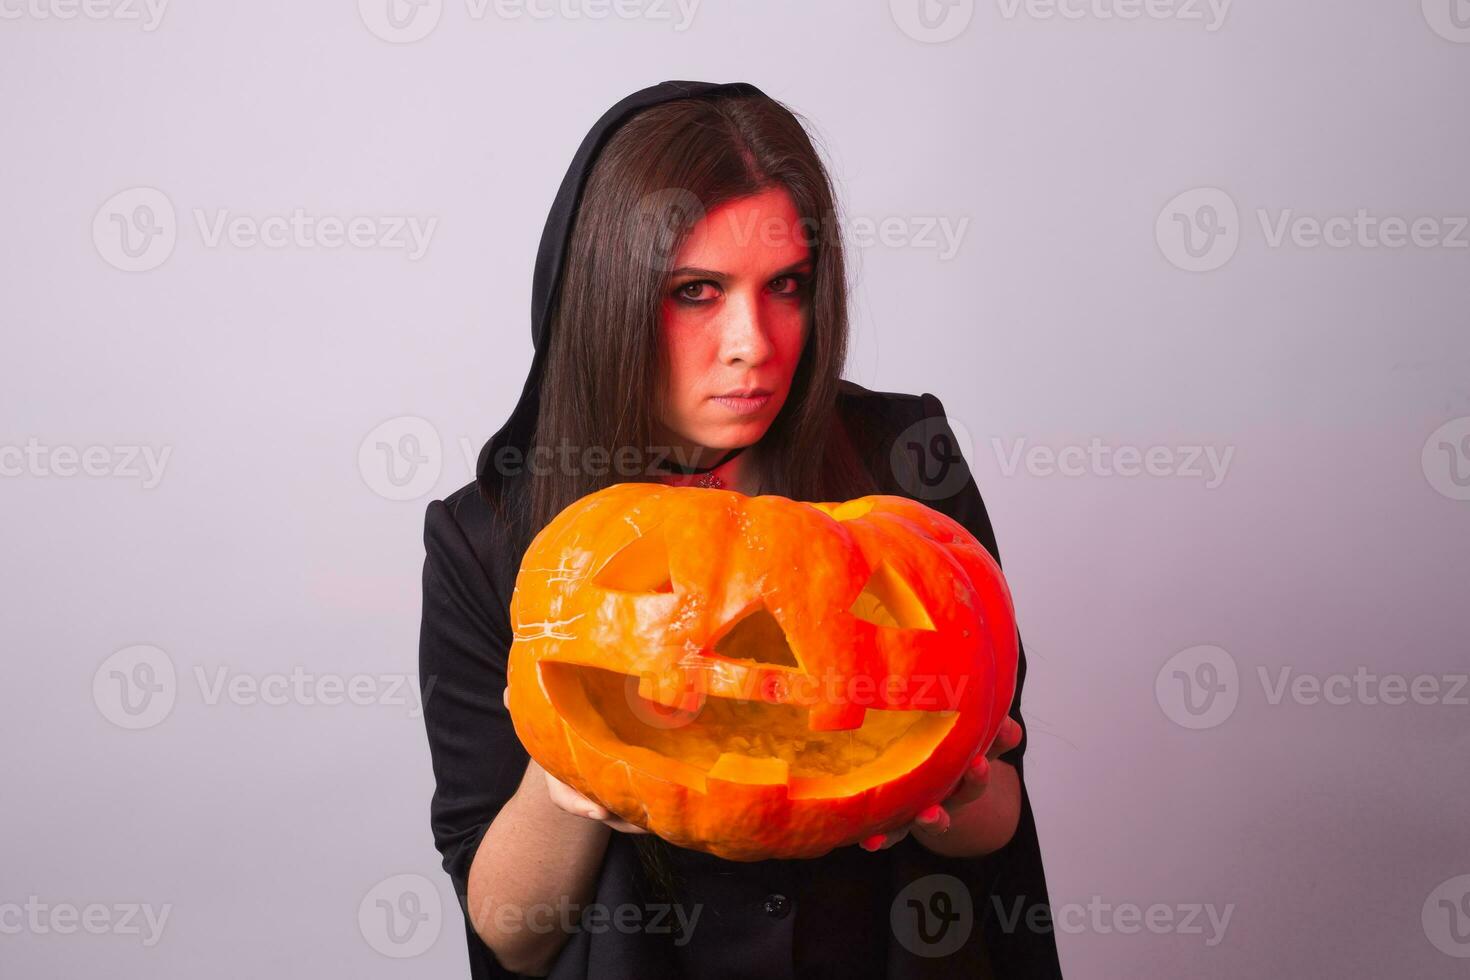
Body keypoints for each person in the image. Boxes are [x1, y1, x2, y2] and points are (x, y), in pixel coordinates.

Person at [418, 79, 1063, 979]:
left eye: (786, 286)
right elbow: (509, 932)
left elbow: (998, 819)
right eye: (697, 292)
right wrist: (573, 753)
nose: (753, 342)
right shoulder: (485, 535)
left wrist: (957, 779)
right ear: (610, 297)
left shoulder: (905, 458)